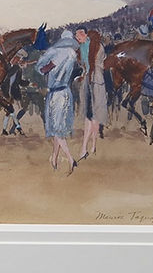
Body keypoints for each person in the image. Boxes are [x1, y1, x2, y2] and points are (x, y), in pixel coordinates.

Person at [34, 29, 80, 174]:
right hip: (66, 92)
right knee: (59, 127)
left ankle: (70, 159)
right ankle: (54, 158)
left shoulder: (57, 52)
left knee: (56, 129)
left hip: (56, 94)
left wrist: (41, 65)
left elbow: (43, 69)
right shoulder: (72, 53)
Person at [75, 28, 108, 160]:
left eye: (79, 36)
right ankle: (91, 147)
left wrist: (88, 72)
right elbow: (84, 65)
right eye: (76, 36)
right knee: (90, 115)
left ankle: (86, 148)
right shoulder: (81, 48)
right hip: (87, 81)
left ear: (85, 34)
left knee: (93, 115)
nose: (77, 38)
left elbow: (98, 64)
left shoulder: (97, 46)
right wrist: (83, 73)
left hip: (96, 81)